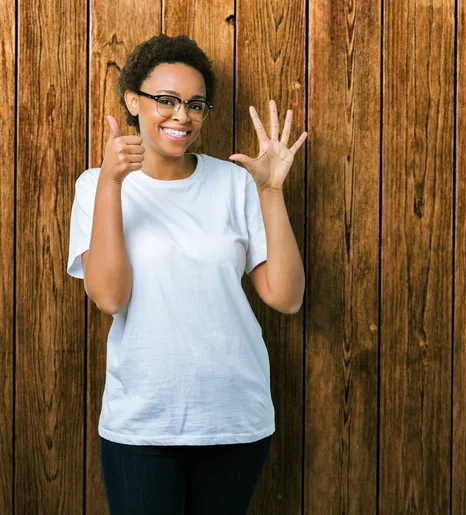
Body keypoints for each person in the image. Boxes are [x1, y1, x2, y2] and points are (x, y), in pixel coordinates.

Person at [66, 33, 307, 514]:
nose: (182, 115)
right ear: (133, 100)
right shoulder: (95, 185)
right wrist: (113, 183)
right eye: (167, 100)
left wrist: (271, 193)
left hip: (233, 417)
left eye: (195, 104)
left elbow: (285, 297)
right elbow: (110, 297)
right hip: (142, 422)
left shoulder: (236, 181)